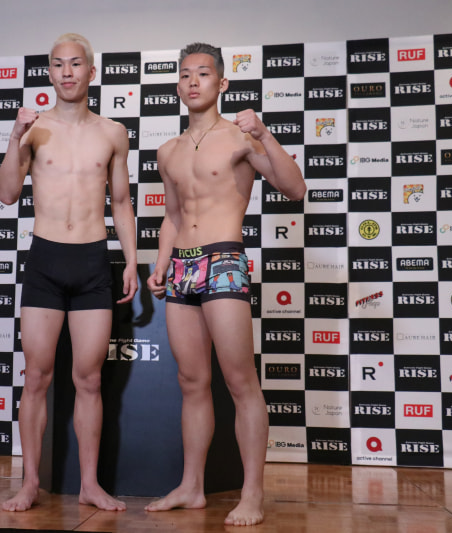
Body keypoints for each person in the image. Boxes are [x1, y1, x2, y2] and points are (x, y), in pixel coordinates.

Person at [145, 42, 305, 526]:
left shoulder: (241, 137)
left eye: (203, 73)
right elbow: (173, 216)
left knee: (239, 381)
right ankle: (192, 487)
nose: (193, 81)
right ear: (178, 86)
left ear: (222, 83)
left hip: (223, 261)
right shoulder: (168, 150)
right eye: (185, 74)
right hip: (182, 268)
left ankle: (252, 494)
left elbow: (295, 189)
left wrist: (265, 134)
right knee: (192, 382)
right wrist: (161, 263)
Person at [0, 33, 138, 512]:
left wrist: (131, 260)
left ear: (91, 72)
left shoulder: (113, 132)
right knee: (36, 377)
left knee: (89, 379)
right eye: (58, 64)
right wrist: (14, 137)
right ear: (49, 73)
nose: (67, 72)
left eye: (76, 64)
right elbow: (7, 194)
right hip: (46, 260)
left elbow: (122, 202)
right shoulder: (34, 129)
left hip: (93, 261)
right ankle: (30, 483)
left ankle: (90, 484)